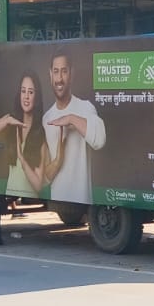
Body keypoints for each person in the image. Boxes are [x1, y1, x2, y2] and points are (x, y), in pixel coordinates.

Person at [42, 52, 106, 204]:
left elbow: (99, 141)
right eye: (56, 72)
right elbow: (45, 176)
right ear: (50, 74)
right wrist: (58, 160)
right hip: (58, 201)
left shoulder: (86, 108)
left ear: (72, 74)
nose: (59, 79)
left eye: (64, 71)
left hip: (82, 200)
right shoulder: (46, 119)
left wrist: (71, 119)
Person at [0, 72, 50, 197]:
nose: (26, 96)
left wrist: (22, 159)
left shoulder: (39, 135)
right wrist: (7, 120)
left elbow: (38, 185)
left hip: (29, 199)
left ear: (36, 98)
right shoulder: (11, 123)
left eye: (30, 92)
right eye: (23, 91)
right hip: (11, 195)